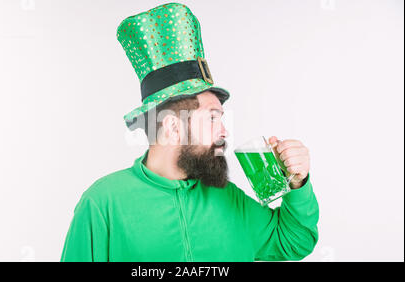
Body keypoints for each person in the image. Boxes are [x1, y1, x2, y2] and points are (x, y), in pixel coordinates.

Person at [60, 3, 318, 262]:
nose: (224, 132)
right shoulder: (102, 203)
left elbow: (294, 241)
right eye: (213, 118)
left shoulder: (228, 198)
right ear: (173, 127)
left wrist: (298, 183)